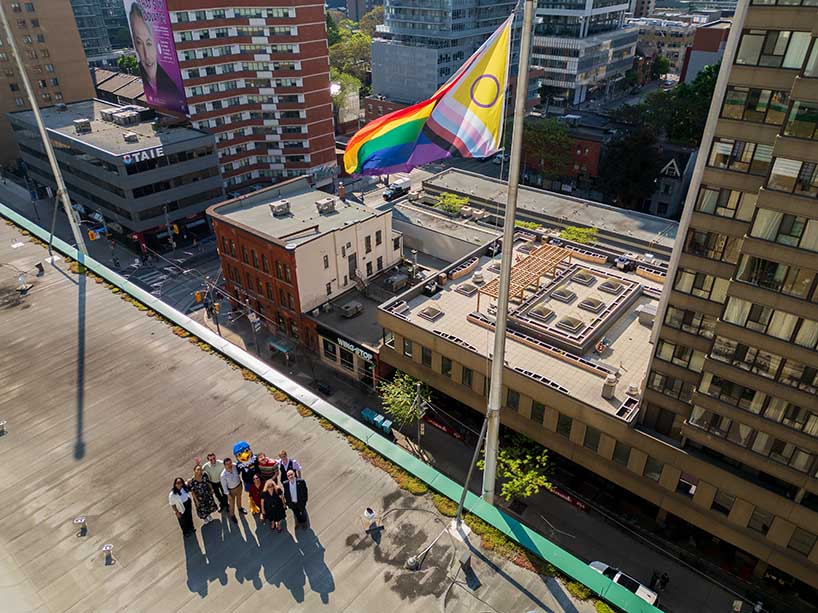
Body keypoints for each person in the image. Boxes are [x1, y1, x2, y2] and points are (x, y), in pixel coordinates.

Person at [128, 2, 187, 114]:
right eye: (139, 42)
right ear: (134, 45)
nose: (146, 54)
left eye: (149, 43)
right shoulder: (148, 87)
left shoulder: (174, 89)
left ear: (157, 45)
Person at [220, 457, 245, 523]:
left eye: (230, 463)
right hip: (231, 491)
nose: (229, 465)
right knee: (231, 504)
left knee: (239, 498)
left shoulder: (234, 466)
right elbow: (224, 487)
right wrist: (228, 495)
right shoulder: (223, 475)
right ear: (224, 465)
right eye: (227, 464)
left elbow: (241, 463)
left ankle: (240, 508)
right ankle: (232, 515)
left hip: (239, 486)